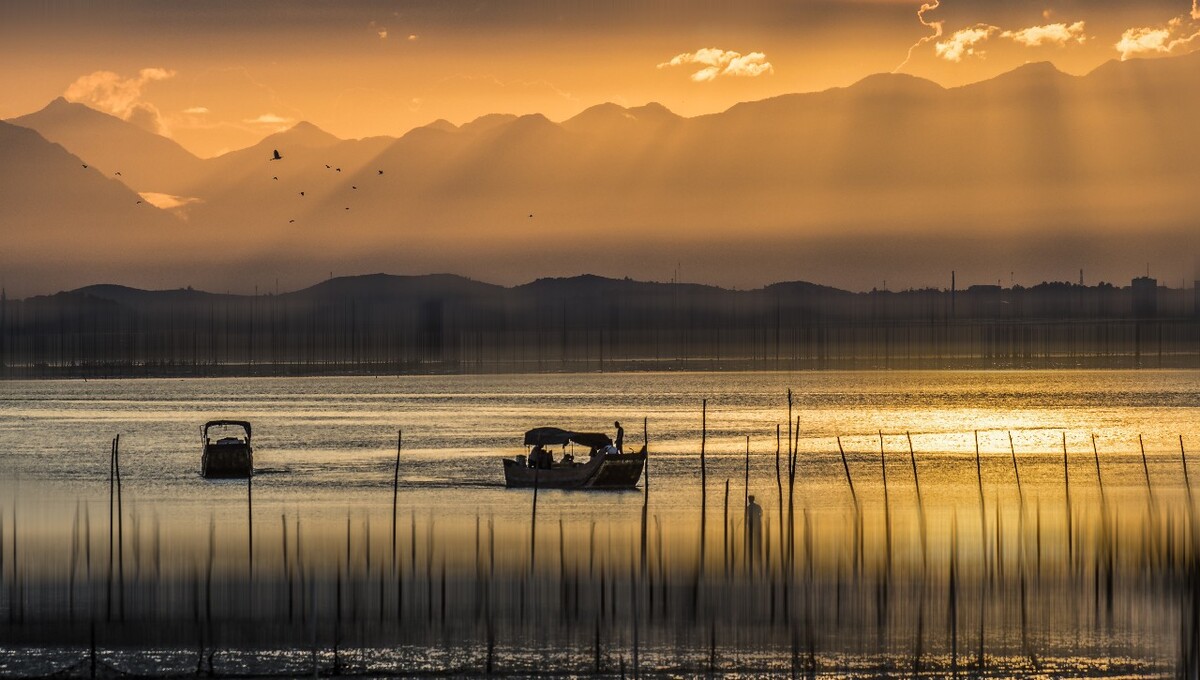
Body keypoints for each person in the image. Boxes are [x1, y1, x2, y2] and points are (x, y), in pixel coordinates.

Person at [745, 494, 763, 572]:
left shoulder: (748, 508)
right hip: (757, 523)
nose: (749, 500)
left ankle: (752, 546)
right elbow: (761, 514)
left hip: (751, 523)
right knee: (758, 536)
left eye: (749, 499)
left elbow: (746, 516)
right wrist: (758, 517)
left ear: (750, 500)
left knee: (751, 537)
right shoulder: (757, 506)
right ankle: (757, 546)